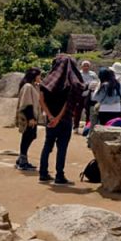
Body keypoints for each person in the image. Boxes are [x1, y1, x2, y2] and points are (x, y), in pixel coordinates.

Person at [37, 54, 85, 185]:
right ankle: (59, 175)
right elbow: (67, 103)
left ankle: (43, 173)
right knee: (62, 148)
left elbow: (41, 100)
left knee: (47, 145)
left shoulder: (46, 82)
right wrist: (58, 118)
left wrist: (50, 116)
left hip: (50, 119)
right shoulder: (69, 84)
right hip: (64, 120)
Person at [14, 68, 43, 171]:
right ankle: (22, 161)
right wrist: (31, 118)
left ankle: (21, 159)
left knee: (30, 136)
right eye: (39, 75)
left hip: (32, 116)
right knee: (27, 136)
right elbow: (27, 104)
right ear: (34, 76)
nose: (41, 77)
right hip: (28, 117)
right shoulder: (28, 86)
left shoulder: (34, 86)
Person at [76, 59, 99, 131]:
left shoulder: (93, 74)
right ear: (81, 67)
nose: (86, 67)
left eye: (87, 66)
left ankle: (87, 126)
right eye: (84, 66)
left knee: (88, 112)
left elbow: (97, 82)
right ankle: (76, 126)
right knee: (78, 111)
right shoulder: (79, 74)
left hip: (89, 95)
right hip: (80, 94)